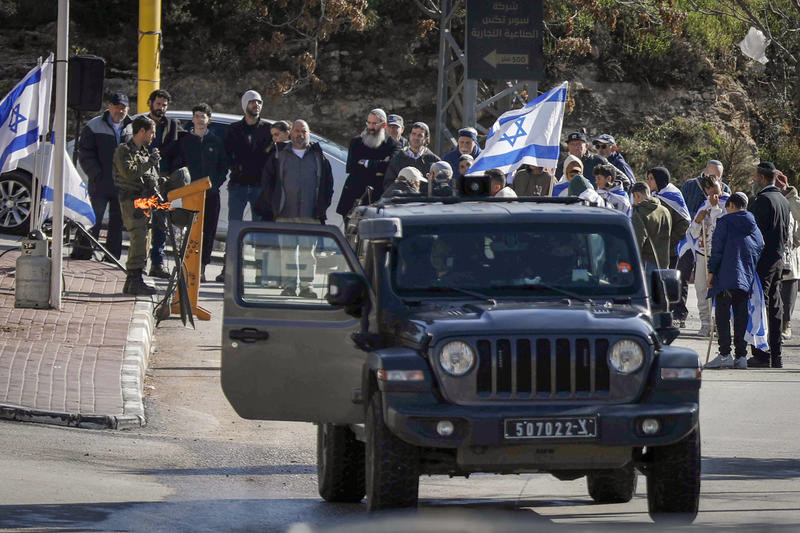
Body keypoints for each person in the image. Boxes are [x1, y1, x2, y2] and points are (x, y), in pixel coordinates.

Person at [260, 120, 334, 298]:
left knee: (308, 254)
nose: (300, 134)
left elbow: (327, 185)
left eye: (304, 131)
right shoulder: (279, 155)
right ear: (290, 132)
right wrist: (275, 204)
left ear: (309, 134)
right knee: (287, 253)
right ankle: (288, 286)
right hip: (285, 213)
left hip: (311, 214)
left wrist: (321, 206)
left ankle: (307, 287)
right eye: (297, 131)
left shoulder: (318, 157)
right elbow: (267, 182)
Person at [705, 192, 764, 369]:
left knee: (722, 316)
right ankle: (741, 356)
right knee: (741, 315)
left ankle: (724, 354)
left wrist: (711, 272)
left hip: (725, 275)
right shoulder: (753, 224)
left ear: (730, 205)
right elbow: (760, 245)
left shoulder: (725, 222)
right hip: (745, 276)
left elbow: (717, 249)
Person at [219, 89, 272, 282]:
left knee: (260, 230)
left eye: (259, 102)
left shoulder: (267, 129)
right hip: (238, 186)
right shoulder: (234, 130)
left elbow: (271, 157)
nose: (256, 105)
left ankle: (261, 273)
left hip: (259, 187)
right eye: (252, 102)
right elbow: (226, 154)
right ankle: (230, 271)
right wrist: (236, 167)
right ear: (245, 105)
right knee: (235, 229)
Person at [176, 103, 228, 283]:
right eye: (197, 116)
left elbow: (223, 167)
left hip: (211, 195)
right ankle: (185, 268)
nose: (200, 119)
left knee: (208, 233)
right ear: (192, 119)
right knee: (188, 232)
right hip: (190, 195)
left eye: (203, 116)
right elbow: (178, 166)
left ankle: (202, 269)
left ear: (209, 120)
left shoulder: (216, 142)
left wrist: (214, 185)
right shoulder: (184, 141)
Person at [77, 92, 132, 261]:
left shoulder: (131, 127)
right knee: (92, 218)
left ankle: (111, 257)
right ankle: (82, 252)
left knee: (117, 223)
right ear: (109, 107)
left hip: (121, 184)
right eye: (116, 107)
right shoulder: (94, 126)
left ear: (128, 109)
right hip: (100, 182)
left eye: (123, 108)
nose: (120, 111)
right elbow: (85, 152)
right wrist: (96, 173)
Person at [748, 162, 791, 368]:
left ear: (763, 179)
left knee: (760, 305)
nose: (753, 181)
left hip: (762, 262)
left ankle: (761, 354)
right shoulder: (783, 200)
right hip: (778, 259)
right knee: (775, 306)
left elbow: (752, 233)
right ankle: (776, 355)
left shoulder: (762, 201)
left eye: (755, 178)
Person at [112, 116, 160, 296]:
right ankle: (133, 280)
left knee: (145, 238)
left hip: (145, 201)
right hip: (132, 201)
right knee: (139, 237)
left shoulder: (143, 152)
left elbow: (150, 178)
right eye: (151, 132)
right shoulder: (124, 151)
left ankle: (136, 278)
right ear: (141, 131)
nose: (153, 136)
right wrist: (150, 163)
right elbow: (130, 173)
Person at [143, 89, 184, 279]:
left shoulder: (172, 124)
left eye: (165, 105)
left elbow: (174, 150)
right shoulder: (141, 124)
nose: (161, 108)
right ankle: (139, 263)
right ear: (150, 103)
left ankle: (157, 264)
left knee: (160, 224)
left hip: (163, 181)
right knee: (142, 222)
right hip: (143, 179)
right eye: (158, 104)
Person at [336, 108, 401, 220]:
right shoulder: (357, 142)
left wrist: (367, 163)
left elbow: (390, 167)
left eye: (374, 124)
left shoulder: (392, 145)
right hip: (354, 196)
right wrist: (378, 166)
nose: (370, 127)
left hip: (377, 197)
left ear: (384, 124)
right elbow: (352, 167)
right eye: (369, 123)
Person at [647, 166, 691, 325]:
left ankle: (678, 313)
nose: (649, 182)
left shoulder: (672, 196)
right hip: (656, 249)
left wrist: (669, 241)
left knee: (673, 281)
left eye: (651, 178)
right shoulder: (653, 196)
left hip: (672, 249)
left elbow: (684, 223)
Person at [685, 174, 728, 336]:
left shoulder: (729, 204)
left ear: (720, 184)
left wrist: (716, 209)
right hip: (702, 253)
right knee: (701, 289)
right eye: (707, 188)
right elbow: (692, 233)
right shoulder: (704, 205)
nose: (710, 190)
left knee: (720, 291)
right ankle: (705, 324)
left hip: (720, 256)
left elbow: (723, 229)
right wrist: (697, 221)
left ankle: (720, 325)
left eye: (713, 186)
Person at [776, 170, 800, 340]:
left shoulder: (794, 200)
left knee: (788, 289)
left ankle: (786, 324)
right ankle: (774, 324)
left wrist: (798, 239)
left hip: (790, 253)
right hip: (774, 252)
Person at [383, 121, 439, 189]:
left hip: (426, 199)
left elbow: (438, 185)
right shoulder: (398, 159)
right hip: (402, 198)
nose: (416, 138)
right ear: (409, 135)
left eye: (420, 135)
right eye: (413, 134)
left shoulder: (433, 161)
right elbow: (388, 184)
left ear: (426, 139)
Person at [631, 182, 671, 271]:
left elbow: (638, 240)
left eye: (633, 197)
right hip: (664, 262)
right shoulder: (665, 211)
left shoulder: (639, 213)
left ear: (636, 195)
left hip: (646, 262)